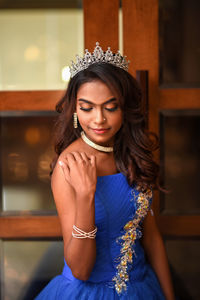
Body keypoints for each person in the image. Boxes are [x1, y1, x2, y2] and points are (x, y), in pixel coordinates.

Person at [35, 43, 175, 299]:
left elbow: (152, 239)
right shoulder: (68, 165)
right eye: (87, 107)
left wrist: (169, 296)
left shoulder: (133, 152)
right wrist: (86, 194)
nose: (98, 119)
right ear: (75, 110)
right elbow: (80, 270)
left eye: (110, 107)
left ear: (125, 108)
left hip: (144, 288)